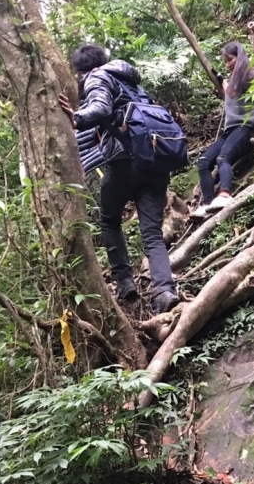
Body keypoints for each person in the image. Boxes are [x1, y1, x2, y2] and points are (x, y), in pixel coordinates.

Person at [60, 44, 178, 315]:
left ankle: (125, 282)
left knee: (109, 220)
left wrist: (76, 118)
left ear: (80, 70)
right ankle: (164, 291)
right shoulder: (128, 79)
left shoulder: (97, 77)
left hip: (125, 161)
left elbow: (100, 109)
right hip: (155, 159)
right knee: (151, 233)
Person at [191, 41, 254, 219]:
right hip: (230, 130)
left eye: (230, 60)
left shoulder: (251, 74)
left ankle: (225, 195)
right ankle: (208, 204)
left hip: (245, 127)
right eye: (225, 61)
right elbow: (230, 92)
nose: (228, 64)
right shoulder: (235, 81)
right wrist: (221, 79)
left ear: (240, 56)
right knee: (204, 162)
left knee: (223, 158)